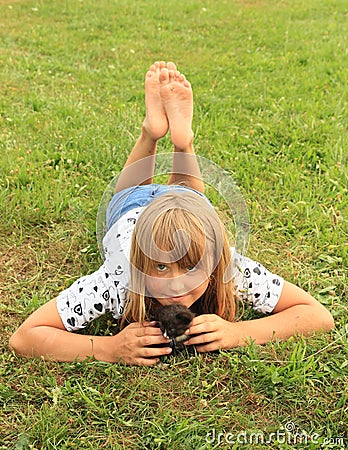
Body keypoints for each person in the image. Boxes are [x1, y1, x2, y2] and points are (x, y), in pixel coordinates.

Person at [9, 61, 334, 366]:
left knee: (191, 200)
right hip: (133, 213)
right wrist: (108, 348)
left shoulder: (229, 266)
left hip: (187, 207)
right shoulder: (120, 278)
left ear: (215, 260)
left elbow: (318, 316)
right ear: (139, 261)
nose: (175, 285)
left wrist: (238, 333)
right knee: (128, 196)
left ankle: (176, 140)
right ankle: (156, 135)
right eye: (160, 266)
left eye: (191, 265)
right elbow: (24, 338)